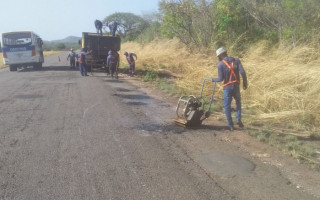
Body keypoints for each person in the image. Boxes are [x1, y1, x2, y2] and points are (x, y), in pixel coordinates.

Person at [212, 47, 248, 131]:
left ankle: (231, 125)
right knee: (238, 102)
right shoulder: (236, 60)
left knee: (227, 106)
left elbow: (220, 79)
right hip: (236, 86)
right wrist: (245, 83)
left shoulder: (220, 64)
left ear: (220, 55)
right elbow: (242, 72)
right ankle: (238, 118)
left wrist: (212, 79)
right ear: (226, 52)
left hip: (227, 88)